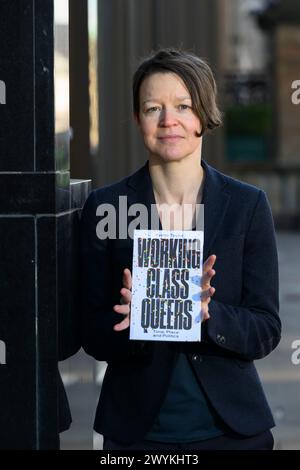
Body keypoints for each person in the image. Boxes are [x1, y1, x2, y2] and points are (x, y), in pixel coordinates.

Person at [80, 48, 281, 450]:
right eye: (153, 107)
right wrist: (134, 320)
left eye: (183, 106)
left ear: (204, 115)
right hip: (136, 435)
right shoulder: (106, 208)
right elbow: (91, 333)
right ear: (138, 119)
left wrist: (209, 314)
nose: (168, 120)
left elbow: (266, 328)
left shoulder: (248, 205)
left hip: (232, 432)